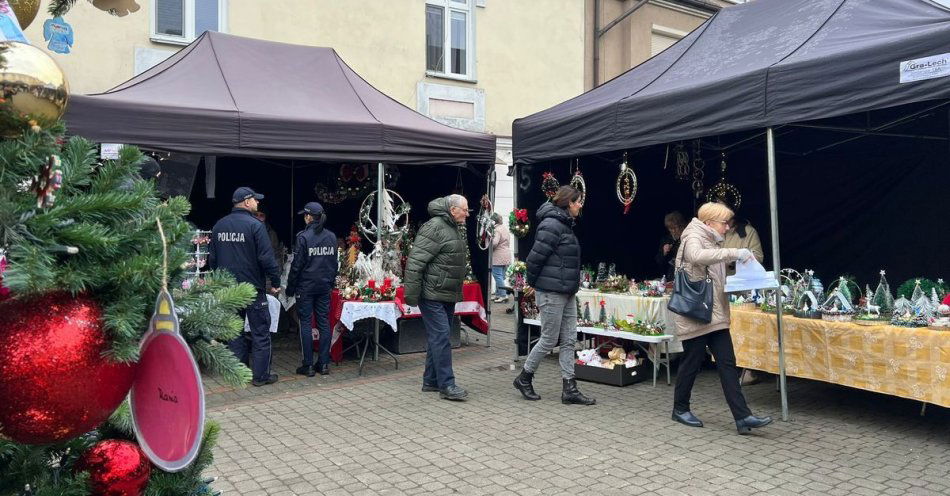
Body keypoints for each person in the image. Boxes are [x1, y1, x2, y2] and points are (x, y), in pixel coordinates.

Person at [670, 202, 772, 434]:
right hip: (695, 314)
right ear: (709, 223)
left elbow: (715, 273)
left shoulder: (711, 238)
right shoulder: (693, 236)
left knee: (727, 364)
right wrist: (735, 253)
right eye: (724, 223)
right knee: (691, 363)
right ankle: (680, 408)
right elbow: (696, 256)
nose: (727, 228)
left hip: (713, 314)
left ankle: (742, 417)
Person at [514, 185, 595, 406]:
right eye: (578, 201)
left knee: (569, 339)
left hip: (566, 290)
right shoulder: (551, 225)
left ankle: (570, 388)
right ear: (569, 202)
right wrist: (534, 284)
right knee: (550, 339)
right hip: (551, 292)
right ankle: (524, 377)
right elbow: (535, 259)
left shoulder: (564, 224)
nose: (580, 205)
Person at [209, 187, 282, 387]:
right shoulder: (255, 226)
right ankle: (260, 376)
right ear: (247, 201)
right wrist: (275, 283)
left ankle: (239, 374)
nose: (258, 203)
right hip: (252, 289)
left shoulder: (219, 226)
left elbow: (212, 260)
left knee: (235, 332)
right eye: (255, 200)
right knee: (260, 332)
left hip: (229, 289)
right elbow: (267, 259)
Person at [404, 194, 470, 401]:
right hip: (431, 294)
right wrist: (411, 296)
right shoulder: (434, 227)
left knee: (439, 337)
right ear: (453, 210)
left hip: (445, 292)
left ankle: (430, 381)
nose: (468, 214)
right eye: (465, 210)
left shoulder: (451, 227)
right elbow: (415, 263)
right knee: (441, 336)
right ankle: (447, 385)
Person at [286, 202, 338, 377]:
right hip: (324, 287)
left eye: (304, 215)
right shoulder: (331, 236)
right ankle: (323, 364)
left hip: (306, 287)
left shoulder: (303, 237)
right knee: (324, 323)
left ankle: (307, 365)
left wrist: (290, 288)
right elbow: (334, 264)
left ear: (309, 217)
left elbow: (296, 265)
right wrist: (330, 283)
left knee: (306, 324)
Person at [656, 211, 686, 281]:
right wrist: (664, 253)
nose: (673, 231)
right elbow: (659, 261)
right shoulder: (666, 240)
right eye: (670, 228)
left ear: (681, 225)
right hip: (671, 276)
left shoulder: (687, 237)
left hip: (685, 275)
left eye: (675, 227)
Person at [490, 213, 512, 303]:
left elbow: (494, 243)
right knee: (500, 276)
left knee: (497, 276)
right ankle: (498, 294)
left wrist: (489, 240)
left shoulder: (497, 230)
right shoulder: (504, 229)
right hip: (506, 255)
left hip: (498, 256)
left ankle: (503, 295)